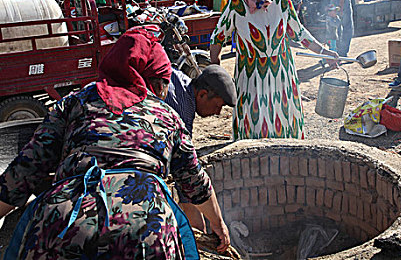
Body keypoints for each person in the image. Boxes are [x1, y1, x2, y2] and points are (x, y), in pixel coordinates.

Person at [0, 25, 230, 258]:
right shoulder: (167, 116)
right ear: (157, 84)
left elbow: (26, 169)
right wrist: (219, 225)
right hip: (146, 227)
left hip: (65, 222)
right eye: (165, 84)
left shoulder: (73, 102)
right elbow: (194, 182)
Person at [209, 0, 339, 140]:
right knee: (254, 127)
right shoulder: (236, 3)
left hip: (282, 75)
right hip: (250, 77)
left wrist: (324, 52)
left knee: (283, 126)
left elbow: (300, 34)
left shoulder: (282, 0)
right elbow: (218, 37)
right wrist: (215, 70)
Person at [164, 64, 236, 231]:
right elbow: (185, 171)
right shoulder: (181, 110)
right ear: (203, 94)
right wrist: (198, 225)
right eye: (218, 106)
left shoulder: (181, 83)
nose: (218, 113)